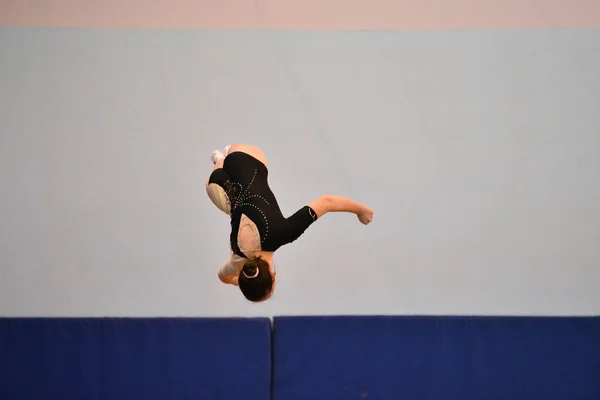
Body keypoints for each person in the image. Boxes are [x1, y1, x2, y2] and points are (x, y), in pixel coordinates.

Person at [205, 144, 373, 302]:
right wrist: (235, 281)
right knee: (232, 205)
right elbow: (223, 276)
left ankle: (224, 157)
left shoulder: (283, 233)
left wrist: (361, 210)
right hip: (217, 186)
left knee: (247, 184)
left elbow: (327, 202)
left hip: (247, 160)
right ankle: (219, 159)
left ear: (273, 275)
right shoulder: (237, 258)